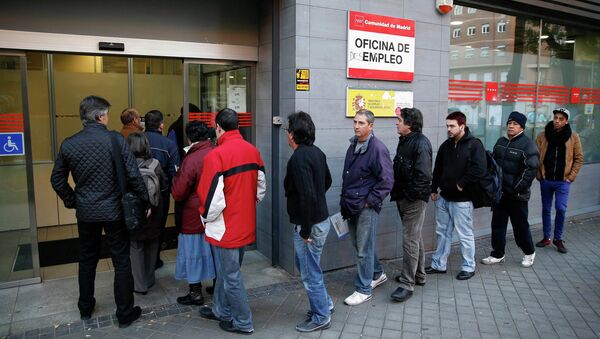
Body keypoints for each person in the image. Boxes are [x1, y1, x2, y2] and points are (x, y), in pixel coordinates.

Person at [50, 95, 146, 328]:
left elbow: (57, 179)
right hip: (114, 210)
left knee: (87, 259)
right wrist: (145, 201)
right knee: (121, 261)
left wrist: (73, 200)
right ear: (101, 116)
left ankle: (85, 308)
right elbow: (133, 174)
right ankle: (124, 313)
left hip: (86, 213)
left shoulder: (69, 143)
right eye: (107, 114)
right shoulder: (115, 139)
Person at [197, 108, 266, 335]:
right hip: (245, 223)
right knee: (228, 272)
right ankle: (220, 310)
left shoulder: (216, 155)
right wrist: (248, 204)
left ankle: (243, 321)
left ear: (218, 127)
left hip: (225, 227)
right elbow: (260, 187)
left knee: (231, 276)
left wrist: (205, 219)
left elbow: (210, 200)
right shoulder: (252, 151)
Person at [283, 112, 333, 332]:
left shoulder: (299, 158)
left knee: (309, 273)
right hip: (320, 220)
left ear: (293, 134)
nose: (287, 134)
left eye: (287, 130)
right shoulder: (317, 152)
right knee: (309, 268)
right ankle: (326, 304)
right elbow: (327, 181)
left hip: (309, 226)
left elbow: (306, 195)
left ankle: (321, 316)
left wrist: (304, 230)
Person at [340, 109, 394, 306]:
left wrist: (368, 202)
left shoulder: (378, 148)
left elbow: (387, 181)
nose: (356, 126)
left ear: (371, 126)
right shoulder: (353, 144)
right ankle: (377, 273)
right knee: (360, 246)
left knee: (363, 249)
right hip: (351, 205)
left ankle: (364, 290)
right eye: (355, 122)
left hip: (365, 207)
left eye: (361, 123)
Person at [427, 111, 486, 281]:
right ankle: (439, 264)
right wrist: (433, 188)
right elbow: (438, 169)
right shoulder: (446, 145)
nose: (449, 129)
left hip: (462, 200)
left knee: (464, 234)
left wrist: (461, 183)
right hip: (444, 198)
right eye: (447, 126)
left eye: (452, 126)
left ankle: (468, 267)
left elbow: (479, 169)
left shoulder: (474, 145)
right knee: (442, 233)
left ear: (462, 126)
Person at [481, 111, 539, 268]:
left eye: (515, 124)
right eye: (509, 123)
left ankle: (529, 252)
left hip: (517, 196)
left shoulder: (528, 144)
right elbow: (494, 164)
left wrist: (516, 188)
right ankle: (497, 254)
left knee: (520, 227)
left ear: (522, 127)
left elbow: (531, 170)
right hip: (500, 194)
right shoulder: (501, 142)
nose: (511, 126)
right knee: (498, 225)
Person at [389, 107, 432, 303]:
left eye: (399, 119)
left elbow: (423, 177)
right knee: (415, 238)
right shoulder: (405, 141)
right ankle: (419, 275)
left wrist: (409, 196)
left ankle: (407, 283)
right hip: (403, 197)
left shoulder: (421, 144)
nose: (396, 122)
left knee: (409, 240)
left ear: (410, 124)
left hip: (413, 199)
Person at [171, 121, 216, 306]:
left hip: (193, 213)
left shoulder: (192, 158)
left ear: (190, 138)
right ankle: (217, 285)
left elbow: (179, 191)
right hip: (216, 212)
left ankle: (195, 293)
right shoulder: (216, 150)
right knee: (214, 252)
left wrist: (175, 178)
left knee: (193, 252)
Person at [535, 107, 584, 253]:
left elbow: (579, 158)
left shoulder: (573, 137)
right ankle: (546, 237)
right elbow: (535, 156)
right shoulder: (542, 136)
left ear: (566, 121)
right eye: (555, 118)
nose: (557, 121)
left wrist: (571, 177)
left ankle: (558, 239)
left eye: (561, 119)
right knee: (546, 209)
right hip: (546, 180)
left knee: (561, 209)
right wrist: (540, 176)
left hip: (563, 181)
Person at [126, 132, 166, 294]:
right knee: (152, 244)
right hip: (155, 210)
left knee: (136, 246)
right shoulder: (155, 164)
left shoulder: (125, 165)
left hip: (134, 212)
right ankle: (150, 280)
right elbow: (163, 185)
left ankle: (139, 284)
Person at [144, 110, 181, 268]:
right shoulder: (168, 144)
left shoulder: (136, 140)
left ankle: (141, 260)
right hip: (161, 192)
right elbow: (175, 171)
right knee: (158, 226)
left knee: (140, 225)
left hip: (139, 191)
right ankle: (155, 259)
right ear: (161, 125)